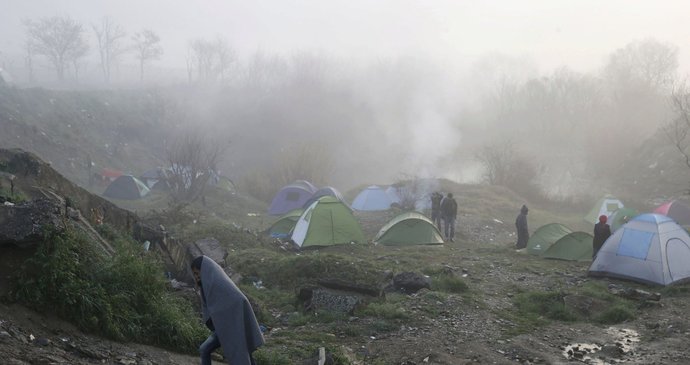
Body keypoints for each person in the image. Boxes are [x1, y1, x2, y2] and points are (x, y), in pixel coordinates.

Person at [191, 256, 264, 365]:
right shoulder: (209, 286)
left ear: (205, 271)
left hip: (231, 327)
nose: (196, 277)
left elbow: (239, 300)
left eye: (198, 273)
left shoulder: (219, 285)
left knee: (205, 349)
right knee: (244, 352)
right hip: (223, 328)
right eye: (194, 275)